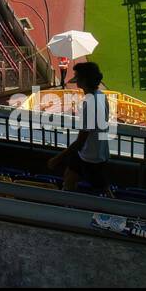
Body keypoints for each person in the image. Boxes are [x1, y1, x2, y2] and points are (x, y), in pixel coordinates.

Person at [47, 61, 111, 193]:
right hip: (93, 152)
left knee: (103, 190)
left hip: (92, 157)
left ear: (84, 80)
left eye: (78, 78)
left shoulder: (90, 103)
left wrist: (57, 158)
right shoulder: (100, 96)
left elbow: (81, 141)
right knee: (69, 178)